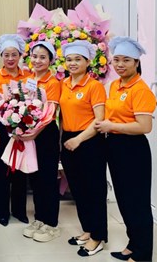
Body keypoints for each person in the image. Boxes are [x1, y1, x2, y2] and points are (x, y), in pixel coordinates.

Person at [95, 37, 156, 262]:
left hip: (133, 149)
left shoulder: (140, 89)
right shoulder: (115, 85)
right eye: (116, 60)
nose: (120, 64)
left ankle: (143, 254)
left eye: (126, 60)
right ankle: (133, 245)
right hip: (115, 146)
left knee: (137, 202)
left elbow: (144, 127)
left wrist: (111, 126)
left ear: (137, 63)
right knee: (124, 199)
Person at [59, 41, 108, 257]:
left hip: (89, 141)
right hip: (68, 140)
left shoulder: (94, 86)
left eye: (78, 59)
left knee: (94, 190)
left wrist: (78, 139)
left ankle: (98, 237)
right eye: (69, 59)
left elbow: (99, 120)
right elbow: (62, 116)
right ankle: (87, 230)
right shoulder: (64, 84)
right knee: (78, 189)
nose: (73, 63)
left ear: (88, 62)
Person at [0, 34, 32, 227]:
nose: (10, 58)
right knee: (0, 171)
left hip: (22, 130)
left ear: (20, 56)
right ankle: (1, 212)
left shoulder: (28, 76)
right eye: (6, 55)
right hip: (1, 129)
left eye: (14, 54)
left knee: (20, 170)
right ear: (1, 56)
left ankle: (19, 211)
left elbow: (33, 103)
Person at [21, 41, 62, 242]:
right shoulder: (28, 80)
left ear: (51, 61)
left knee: (48, 178)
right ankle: (39, 218)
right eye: (35, 56)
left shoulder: (53, 82)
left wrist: (34, 133)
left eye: (43, 57)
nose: (37, 60)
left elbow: (49, 113)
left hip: (45, 134)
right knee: (35, 178)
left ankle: (51, 224)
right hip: (31, 133)